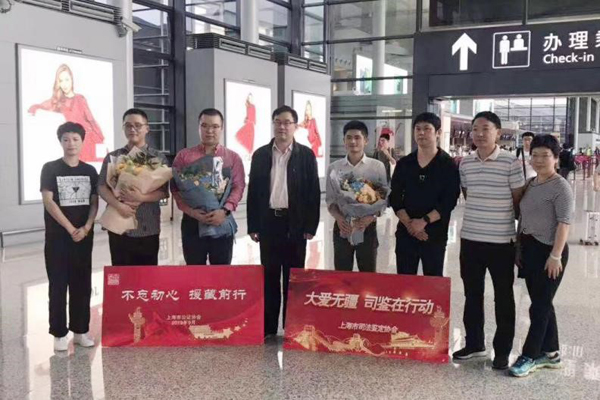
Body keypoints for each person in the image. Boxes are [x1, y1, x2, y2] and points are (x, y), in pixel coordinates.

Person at [453, 111, 525, 370]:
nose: (479, 134)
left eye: (485, 128)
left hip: (501, 241)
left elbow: (518, 201)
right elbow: (468, 194)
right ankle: (474, 344)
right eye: (475, 129)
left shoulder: (511, 162)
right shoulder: (466, 163)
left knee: (503, 296)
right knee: (472, 294)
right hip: (471, 239)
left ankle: (502, 351)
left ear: (498, 132)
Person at [247, 105, 320, 337]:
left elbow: (313, 192)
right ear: (273, 124)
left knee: (293, 277)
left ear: (295, 126)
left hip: (295, 224)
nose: (282, 126)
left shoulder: (305, 155)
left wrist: (310, 226)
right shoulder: (260, 155)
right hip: (269, 222)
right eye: (278, 122)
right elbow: (254, 192)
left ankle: (292, 326)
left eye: (287, 122)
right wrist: (253, 225)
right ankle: (269, 327)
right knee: (269, 276)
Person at [509, 135, 574, 377]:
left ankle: (530, 354)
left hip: (550, 251)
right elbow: (522, 217)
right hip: (529, 249)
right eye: (534, 155)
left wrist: (555, 256)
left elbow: (564, 223)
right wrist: (519, 248)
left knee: (539, 306)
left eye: (545, 155)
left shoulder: (561, 187)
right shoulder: (531, 183)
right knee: (542, 302)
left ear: (556, 158)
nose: (538, 160)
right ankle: (552, 353)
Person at [41, 122, 99, 351]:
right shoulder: (50, 168)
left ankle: (80, 331)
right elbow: (49, 202)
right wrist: (70, 228)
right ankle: (58, 333)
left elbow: (94, 202)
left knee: (82, 284)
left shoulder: (90, 171)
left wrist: (86, 227)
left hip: (83, 238)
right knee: (58, 285)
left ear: (82, 142)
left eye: (75, 139)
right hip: (58, 238)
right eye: (66, 139)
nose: (71, 143)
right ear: (60, 142)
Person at [390, 112, 461, 277]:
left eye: (427, 129)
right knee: (405, 281)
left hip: (434, 234)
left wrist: (423, 222)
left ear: (438, 133)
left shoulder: (447, 164)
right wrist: (411, 225)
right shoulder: (405, 163)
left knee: (433, 280)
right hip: (406, 233)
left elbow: (449, 200)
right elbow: (395, 197)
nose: (421, 133)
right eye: (418, 129)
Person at [171, 108, 245, 265]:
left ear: (222, 128)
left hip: (221, 219)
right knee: (194, 271)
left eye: (215, 126)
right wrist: (192, 212)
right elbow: (176, 189)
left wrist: (224, 211)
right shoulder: (184, 157)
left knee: (221, 272)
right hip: (192, 221)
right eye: (204, 126)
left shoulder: (232, 158)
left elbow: (238, 187)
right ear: (199, 127)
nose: (209, 131)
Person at [98, 108, 169, 266]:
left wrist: (142, 197)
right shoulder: (113, 157)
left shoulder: (157, 157)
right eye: (128, 125)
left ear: (147, 128)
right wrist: (119, 206)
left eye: (137, 125)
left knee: (147, 275)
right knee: (120, 273)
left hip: (148, 226)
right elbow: (102, 187)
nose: (132, 129)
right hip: (118, 224)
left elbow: (163, 192)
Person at [326, 121, 387, 273]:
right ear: (343, 141)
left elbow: (382, 200)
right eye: (349, 137)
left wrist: (370, 217)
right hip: (343, 227)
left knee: (367, 274)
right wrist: (339, 218)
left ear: (366, 140)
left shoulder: (377, 167)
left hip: (367, 228)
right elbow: (331, 200)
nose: (353, 141)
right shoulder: (334, 168)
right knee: (342, 274)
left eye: (357, 137)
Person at [28, 64, 106, 163]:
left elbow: (91, 120)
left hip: (90, 138)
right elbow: (45, 105)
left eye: (67, 80)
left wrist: (100, 137)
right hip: (77, 140)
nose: (64, 84)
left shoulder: (80, 98)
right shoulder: (59, 101)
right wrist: (35, 107)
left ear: (71, 80)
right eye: (61, 81)